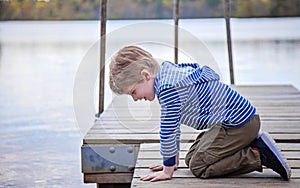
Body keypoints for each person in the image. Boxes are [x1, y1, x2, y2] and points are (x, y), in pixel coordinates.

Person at [109, 45, 291, 182]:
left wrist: (167, 169)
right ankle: (247, 144)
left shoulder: (167, 89)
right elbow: (174, 126)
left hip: (240, 124)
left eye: (133, 92)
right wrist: (172, 161)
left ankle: (259, 154)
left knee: (199, 166)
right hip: (235, 122)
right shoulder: (168, 75)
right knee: (191, 158)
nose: (134, 98)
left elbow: (167, 131)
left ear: (146, 75)